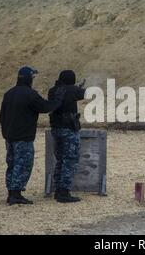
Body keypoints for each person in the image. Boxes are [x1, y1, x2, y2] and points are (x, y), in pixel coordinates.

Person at [0, 66, 65, 205]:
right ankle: (16, 194)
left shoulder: (9, 93)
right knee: (23, 164)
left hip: (10, 136)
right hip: (23, 137)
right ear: (29, 78)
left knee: (12, 164)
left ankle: (11, 192)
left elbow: (2, 115)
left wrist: (5, 132)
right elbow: (45, 107)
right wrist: (58, 101)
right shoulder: (30, 94)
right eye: (33, 77)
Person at [48, 70, 86, 203]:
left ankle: (58, 189)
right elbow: (82, 94)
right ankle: (64, 192)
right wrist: (79, 86)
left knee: (60, 159)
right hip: (69, 130)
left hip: (56, 129)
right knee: (70, 160)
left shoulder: (53, 90)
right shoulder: (72, 90)